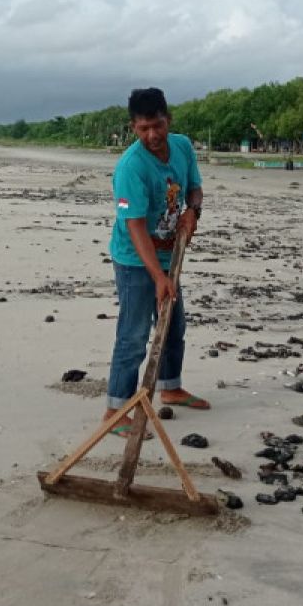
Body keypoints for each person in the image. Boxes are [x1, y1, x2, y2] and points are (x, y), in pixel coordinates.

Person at [104, 88, 208, 437]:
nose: (152, 135)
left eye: (157, 125)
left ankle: (171, 386)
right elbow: (134, 226)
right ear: (133, 127)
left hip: (169, 253)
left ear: (169, 119)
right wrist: (157, 276)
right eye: (143, 128)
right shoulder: (131, 167)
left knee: (173, 327)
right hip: (136, 260)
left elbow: (194, 188)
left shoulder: (182, 146)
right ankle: (116, 410)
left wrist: (193, 212)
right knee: (133, 336)